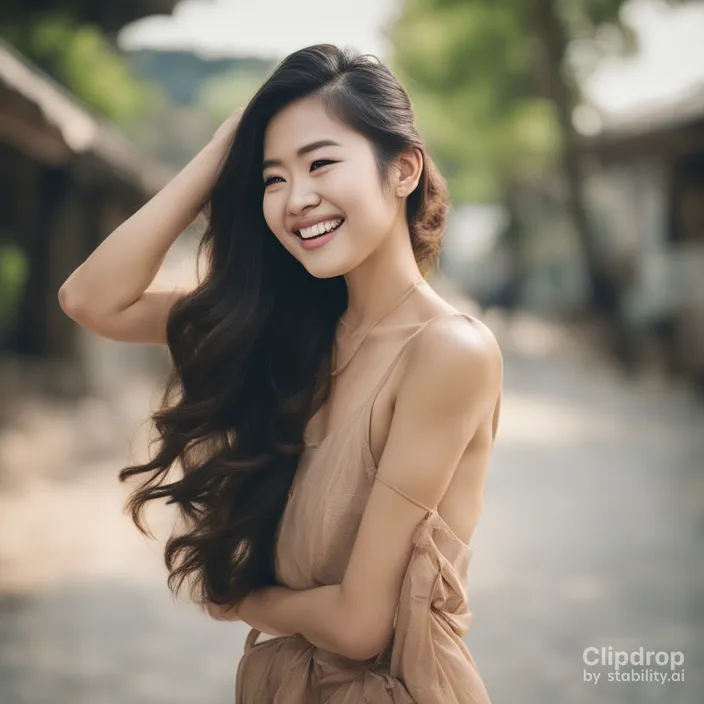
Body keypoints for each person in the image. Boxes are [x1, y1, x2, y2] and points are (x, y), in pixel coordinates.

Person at [59, 43, 502, 703]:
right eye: (272, 178)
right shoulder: (288, 326)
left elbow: (359, 625)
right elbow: (91, 299)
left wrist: (242, 600)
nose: (297, 198)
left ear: (404, 168)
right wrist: (220, 154)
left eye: (321, 162)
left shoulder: (448, 352)